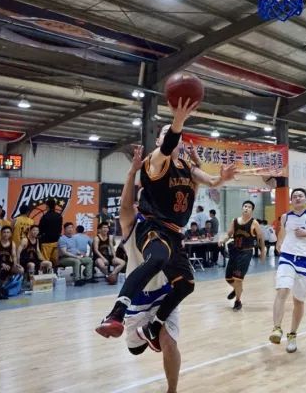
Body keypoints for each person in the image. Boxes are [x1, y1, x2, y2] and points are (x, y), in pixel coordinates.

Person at [96, 98, 237, 351]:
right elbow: (169, 142)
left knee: (186, 284)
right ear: (159, 141)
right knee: (158, 258)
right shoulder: (155, 161)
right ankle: (116, 313)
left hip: (174, 233)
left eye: (174, 135)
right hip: (152, 226)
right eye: (164, 134)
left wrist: (222, 178)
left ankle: (153, 326)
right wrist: (178, 120)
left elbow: (210, 181)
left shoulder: (187, 167)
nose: (172, 137)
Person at [117, 146, 182, 393]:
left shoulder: (167, 224)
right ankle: (146, 335)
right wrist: (132, 171)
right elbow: (125, 208)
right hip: (138, 298)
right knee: (135, 350)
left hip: (165, 293)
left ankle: (172, 390)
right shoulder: (132, 225)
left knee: (169, 342)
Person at [270, 188, 306, 353]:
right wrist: (279, 244)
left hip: (305, 260)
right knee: (282, 290)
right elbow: (282, 233)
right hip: (287, 257)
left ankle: (292, 334)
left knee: (298, 301)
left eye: (300, 195)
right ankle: (276, 328)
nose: (297, 198)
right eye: (294, 196)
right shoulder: (285, 217)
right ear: (291, 200)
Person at [221, 200, 265, 311]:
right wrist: (223, 239)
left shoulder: (254, 223)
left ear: (252, 210)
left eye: (249, 207)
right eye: (245, 206)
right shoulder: (235, 221)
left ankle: (238, 301)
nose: (246, 208)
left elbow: (260, 238)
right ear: (242, 208)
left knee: (238, 279)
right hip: (234, 251)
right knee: (228, 278)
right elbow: (229, 234)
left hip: (246, 253)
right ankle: (237, 290)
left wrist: (263, 251)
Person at [39, 198, 63, 264]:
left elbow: (40, 229)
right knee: (55, 261)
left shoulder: (45, 216)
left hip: (46, 242)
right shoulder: (59, 216)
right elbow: (60, 229)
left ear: (47, 206)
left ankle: (46, 271)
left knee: (46, 261)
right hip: (56, 241)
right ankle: (55, 270)